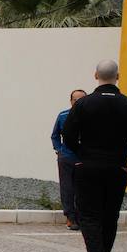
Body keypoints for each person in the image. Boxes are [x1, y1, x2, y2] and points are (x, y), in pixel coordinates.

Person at [62, 60, 127, 252]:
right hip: (117, 168)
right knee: (110, 217)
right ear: (117, 76)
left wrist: (81, 155)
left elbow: (68, 135)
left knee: (89, 216)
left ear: (95, 75)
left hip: (88, 167)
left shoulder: (83, 104)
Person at [50, 88, 88, 231]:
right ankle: (70, 217)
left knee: (83, 189)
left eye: (81, 99)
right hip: (67, 158)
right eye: (75, 99)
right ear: (71, 101)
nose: (78, 102)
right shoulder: (63, 115)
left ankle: (82, 216)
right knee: (67, 188)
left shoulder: (92, 116)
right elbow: (54, 135)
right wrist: (59, 150)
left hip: (85, 159)